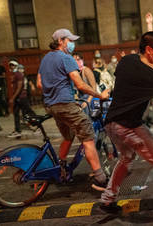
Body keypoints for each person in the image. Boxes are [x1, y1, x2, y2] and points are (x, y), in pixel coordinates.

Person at [99, 31, 153, 225]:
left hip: (111, 124)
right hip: (128, 127)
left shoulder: (127, 61)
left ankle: (107, 200)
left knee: (126, 158)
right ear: (149, 50)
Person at [37, 29, 110, 189]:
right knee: (88, 138)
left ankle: (61, 168)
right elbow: (80, 84)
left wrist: (54, 93)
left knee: (68, 136)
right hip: (65, 105)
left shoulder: (45, 59)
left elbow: (39, 84)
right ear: (61, 41)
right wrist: (100, 95)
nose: (72, 43)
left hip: (51, 106)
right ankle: (101, 179)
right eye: (70, 40)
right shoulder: (66, 58)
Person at [7, 64, 36, 138]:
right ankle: (17, 130)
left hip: (21, 97)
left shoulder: (19, 74)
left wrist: (13, 98)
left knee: (29, 111)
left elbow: (20, 87)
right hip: (19, 97)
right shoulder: (16, 74)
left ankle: (37, 126)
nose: (11, 68)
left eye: (12, 66)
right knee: (16, 113)